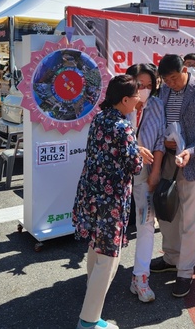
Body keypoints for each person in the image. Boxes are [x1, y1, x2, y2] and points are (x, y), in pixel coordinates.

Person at [72, 75, 152, 329]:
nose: (139, 100)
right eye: (137, 96)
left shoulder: (100, 118)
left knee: (96, 248)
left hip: (91, 193)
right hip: (111, 199)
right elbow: (134, 165)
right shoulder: (123, 126)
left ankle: (91, 300)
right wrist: (138, 153)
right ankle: (89, 320)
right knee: (109, 258)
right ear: (125, 99)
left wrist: (133, 149)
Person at [150, 54, 195, 298]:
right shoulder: (165, 91)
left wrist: (190, 150)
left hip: (192, 161)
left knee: (189, 217)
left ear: (185, 70)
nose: (171, 83)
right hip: (167, 159)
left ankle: (185, 270)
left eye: (175, 78)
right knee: (166, 212)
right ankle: (170, 257)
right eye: (166, 80)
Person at [124, 64, 166, 302]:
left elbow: (160, 139)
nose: (145, 90)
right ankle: (98, 275)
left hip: (145, 172)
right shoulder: (120, 104)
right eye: (140, 85)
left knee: (146, 223)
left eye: (149, 86)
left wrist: (156, 171)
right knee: (113, 226)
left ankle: (140, 277)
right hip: (118, 175)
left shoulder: (157, 105)